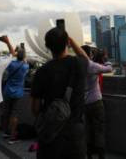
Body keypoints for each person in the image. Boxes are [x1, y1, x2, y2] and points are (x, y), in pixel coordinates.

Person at [31, 28, 89, 159]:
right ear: (67, 43)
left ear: (47, 46)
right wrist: (71, 41)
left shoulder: (42, 71)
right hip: (74, 134)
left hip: (50, 135)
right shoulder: (79, 64)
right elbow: (85, 57)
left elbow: (35, 109)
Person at [82, 45, 113, 159]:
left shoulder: (78, 65)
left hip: (84, 103)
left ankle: (89, 155)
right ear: (88, 54)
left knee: (88, 130)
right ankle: (101, 156)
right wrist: (105, 59)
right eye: (91, 52)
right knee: (99, 130)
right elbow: (109, 69)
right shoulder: (91, 65)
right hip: (96, 101)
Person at [2, 47, 29, 144]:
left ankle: (6, 132)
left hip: (7, 91)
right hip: (18, 92)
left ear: (17, 55)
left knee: (6, 112)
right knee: (14, 113)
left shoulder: (11, 64)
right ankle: (12, 136)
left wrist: (14, 53)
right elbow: (25, 62)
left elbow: (6, 65)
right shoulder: (25, 66)